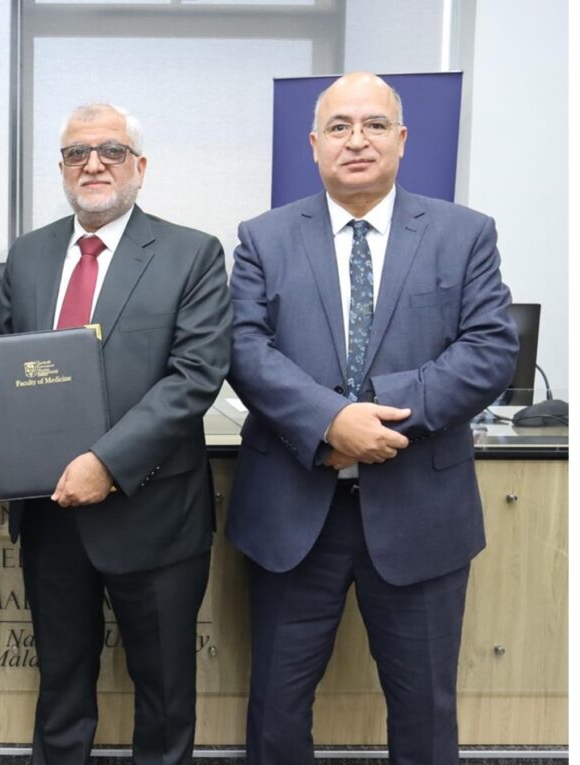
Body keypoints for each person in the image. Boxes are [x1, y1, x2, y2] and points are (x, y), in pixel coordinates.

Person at [226, 72, 519, 763]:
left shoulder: (464, 234)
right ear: (314, 144)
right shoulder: (263, 238)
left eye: (375, 124)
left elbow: (489, 350)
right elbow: (242, 348)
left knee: (425, 718)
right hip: (292, 514)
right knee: (275, 714)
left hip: (421, 513)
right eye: (339, 126)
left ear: (402, 139)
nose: (356, 140)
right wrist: (331, 421)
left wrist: (376, 422)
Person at [0, 103, 231, 764]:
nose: (93, 164)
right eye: (76, 153)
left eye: (111, 150)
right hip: (51, 512)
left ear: (139, 166)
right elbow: (8, 351)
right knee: (60, 694)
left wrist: (105, 462)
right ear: (61, 168)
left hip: (153, 512)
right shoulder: (29, 255)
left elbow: (194, 378)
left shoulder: (192, 253)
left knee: (164, 699)